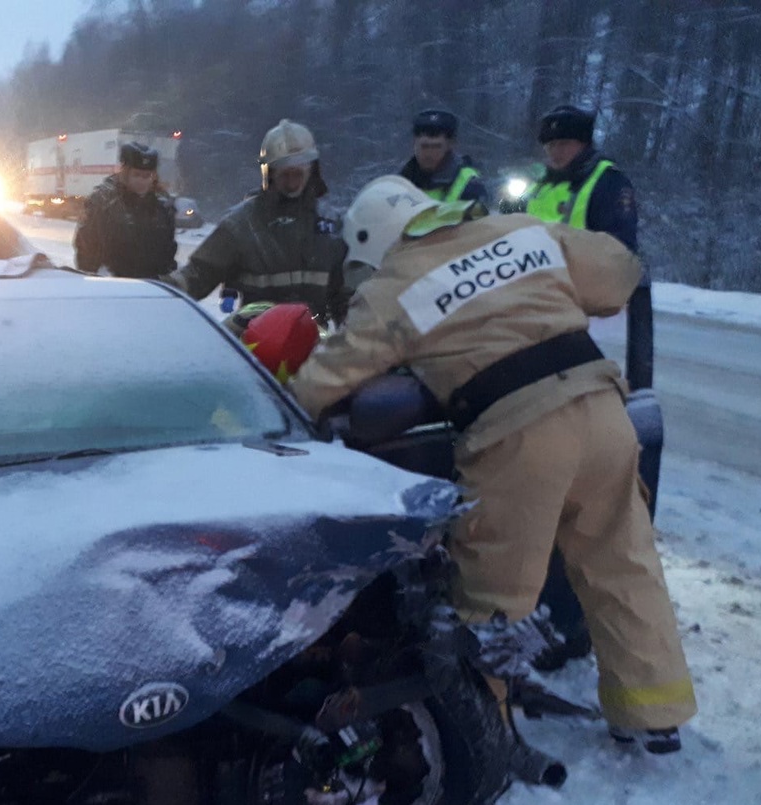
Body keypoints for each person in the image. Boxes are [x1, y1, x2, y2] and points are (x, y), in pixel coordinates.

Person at [288, 176, 697, 753]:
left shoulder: (394, 287)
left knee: (496, 597)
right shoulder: (521, 230)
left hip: (519, 434)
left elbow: (326, 380)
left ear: (375, 239)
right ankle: (654, 713)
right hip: (605, 413)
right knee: (621, 562)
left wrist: (272, 407)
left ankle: (485, 737)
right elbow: (618, 273)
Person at [161, 119, 349, 325]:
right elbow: (198, 275)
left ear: (312, 169)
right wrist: (154, 293)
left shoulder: (331, 226)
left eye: (298, 172)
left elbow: (348, 296)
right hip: (257, 345)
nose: (291, 181)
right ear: (269, 173)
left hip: (314, 347)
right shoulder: (242, 225)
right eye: (284, 172)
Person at [525, 104, 653, 388]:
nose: (556, 152)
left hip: (579, 298)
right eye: (551, 144)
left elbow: (618, 249)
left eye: (564, 144)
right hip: (534, 291)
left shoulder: (607, 182)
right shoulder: (539, 183)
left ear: (583, 144)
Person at [73, 141, 177, 279]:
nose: (142, 181)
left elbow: (168, 251)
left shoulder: (162, 206)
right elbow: (86, 247)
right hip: (113, 286)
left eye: (147, 176)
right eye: (137, 175)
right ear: (125, 173)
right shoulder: (102, 201)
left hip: (152, 286)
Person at [398, 108, 489, 206]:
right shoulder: (401, 180)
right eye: (424, 146)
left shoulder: (469, 184)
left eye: (436, 147)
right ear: (414, 144)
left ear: (450, 146)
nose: (429, 153)